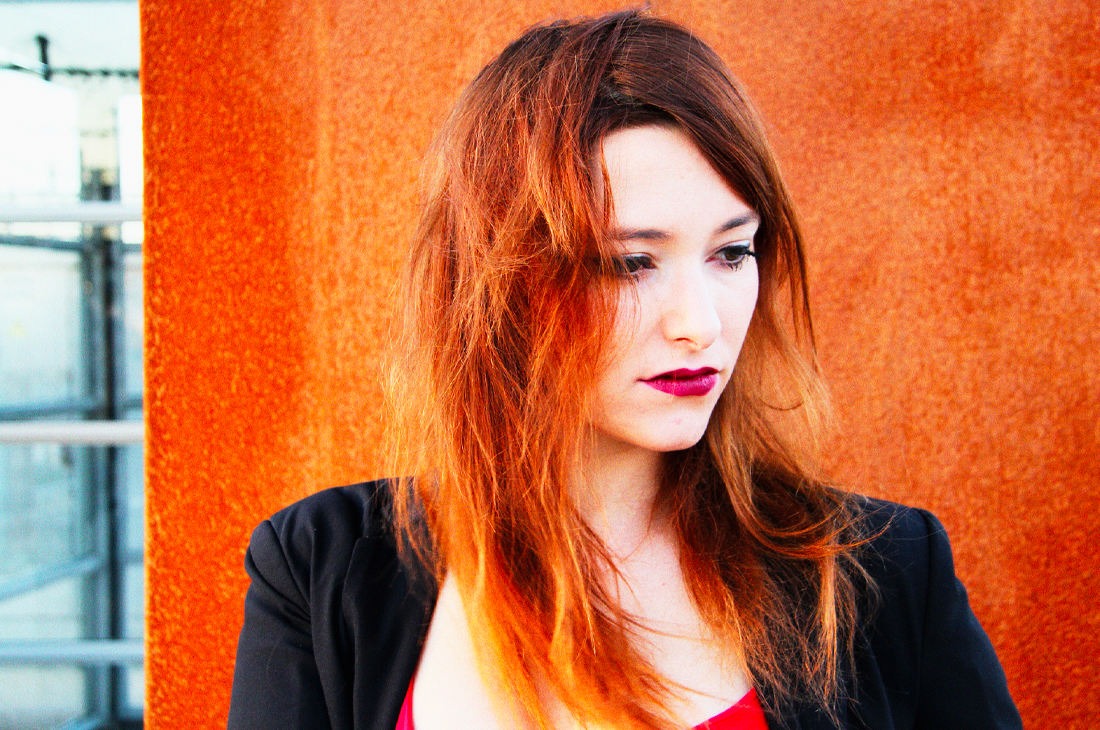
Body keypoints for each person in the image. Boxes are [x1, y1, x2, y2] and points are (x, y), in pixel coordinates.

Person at [227, 10, 1022, 730]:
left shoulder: (884, 576)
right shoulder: (321, 568)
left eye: (732, 252)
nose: (699, 324)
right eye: (629, 263)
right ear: (500, 283)